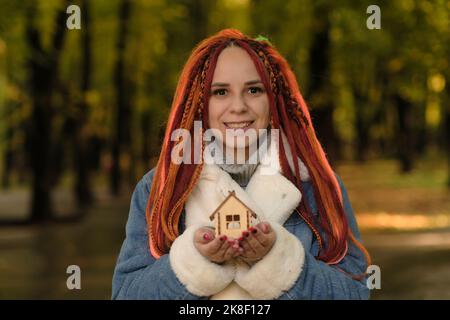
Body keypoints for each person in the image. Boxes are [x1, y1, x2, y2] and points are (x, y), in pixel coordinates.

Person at [112, 29, 371, 300]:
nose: (238, 106)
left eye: (254, 90)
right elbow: (125, 294)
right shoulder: (160, 187)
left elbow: (355, 293)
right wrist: (192, 265)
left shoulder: (316, 186)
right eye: (221, 92)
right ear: (200, 103)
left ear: (273, 100)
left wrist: (279, 263)